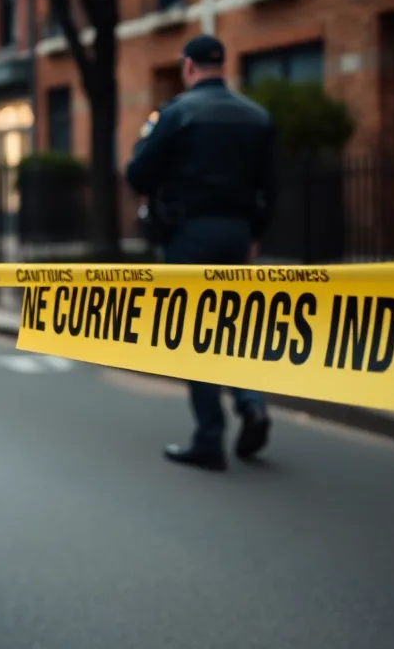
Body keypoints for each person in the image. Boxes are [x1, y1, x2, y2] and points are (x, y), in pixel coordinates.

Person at [126, 34, 279, 472]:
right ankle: (251, 404)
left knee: (196, 335)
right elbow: (272, 186)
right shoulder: (257, 117)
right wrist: (254, 233)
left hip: (189, 235)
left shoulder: (177, 115)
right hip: (237, 234)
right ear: (223, 66)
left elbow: (138, 173)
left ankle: (209, 439)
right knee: (234, 328)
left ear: (189, 67)